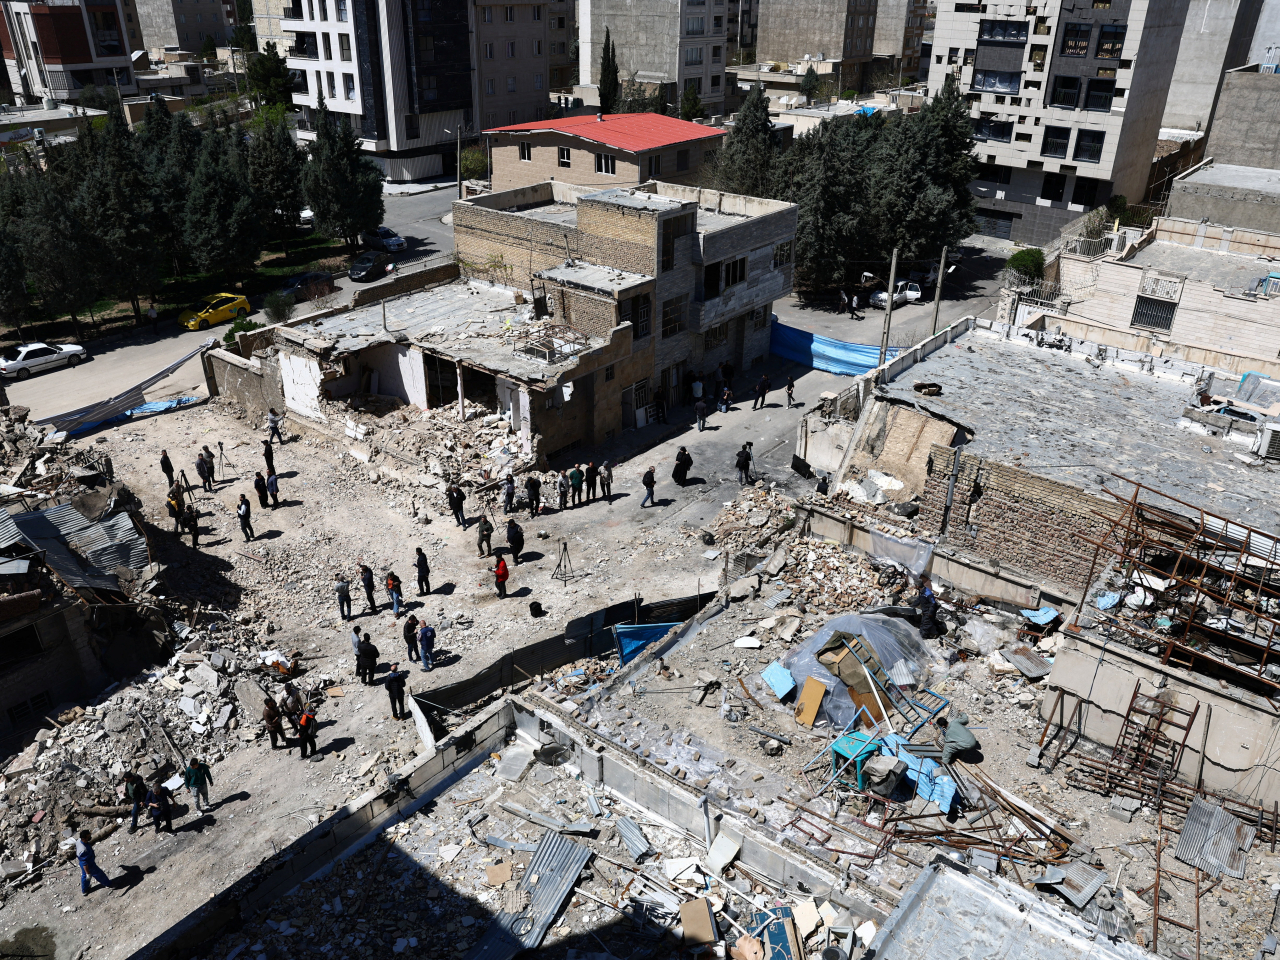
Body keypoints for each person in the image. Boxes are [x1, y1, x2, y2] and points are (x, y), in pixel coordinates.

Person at [76, 831, 115, 895]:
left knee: (85, 877)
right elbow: (85, 864)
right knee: (99, 874)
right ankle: (108, 884)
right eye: (88, 837)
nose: (90, 838)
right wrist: (88, 872)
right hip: (89, 865)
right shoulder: (83, 850)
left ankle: (85, 890)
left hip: (85, 863)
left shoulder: (78, 841)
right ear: (83, 839)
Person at [917, 574, 944, 640]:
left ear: (918, 586)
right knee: (923, 624)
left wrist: (930, 613)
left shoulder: (927, 593)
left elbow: (933, 603)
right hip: (925, 611)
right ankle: (921, 635)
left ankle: (923, 637)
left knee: (926, 625)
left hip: (929, 612)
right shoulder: (922, 592)